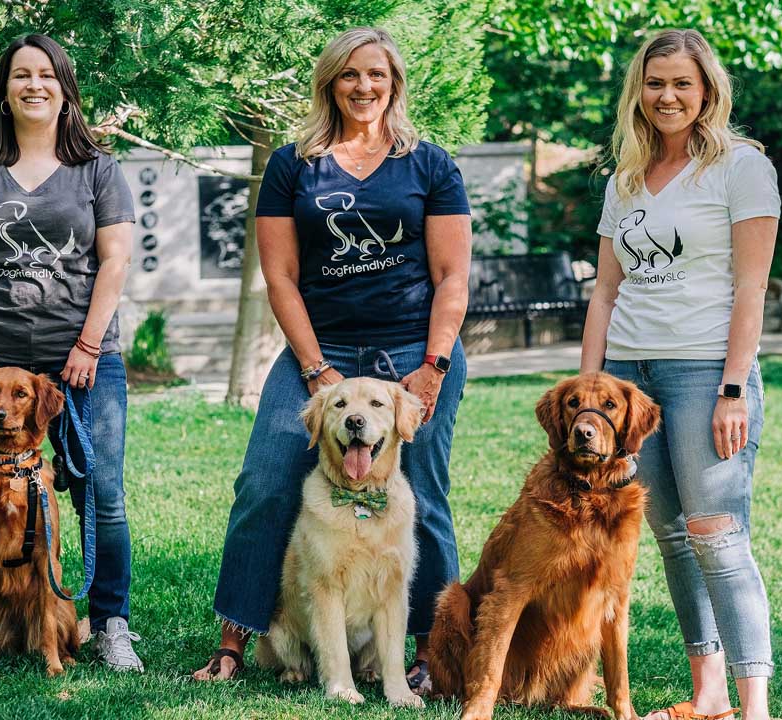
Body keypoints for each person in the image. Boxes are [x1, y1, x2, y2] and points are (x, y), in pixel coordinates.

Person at [192, 27, 472, 693]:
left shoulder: (430, 164)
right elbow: (281, 276)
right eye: (349, 75)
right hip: (320, 349)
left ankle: (432, 655)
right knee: (265, 478)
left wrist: (432, 366)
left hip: (412, 348)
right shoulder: (295, 163)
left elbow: (452, 275)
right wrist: (317, 370)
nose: (364, 87)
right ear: (330, 84)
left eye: (376, 74)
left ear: (394, 83)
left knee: (423, 495)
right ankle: (236, 638)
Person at [0, 34, 143, 672]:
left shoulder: (97, 168)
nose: (33, 84)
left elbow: (116, 258)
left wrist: (89, 342)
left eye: (46, 74)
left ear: (64, 87)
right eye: (20, 75)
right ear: (4, 90)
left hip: (84, 357)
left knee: (100, 490)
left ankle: (111, 623)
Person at [580, 29, 779, 720]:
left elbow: (751, 289)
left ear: (707, 92)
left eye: (682, 84)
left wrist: (732, 388)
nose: (668, 96)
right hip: (629, 380)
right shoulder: (625, 178)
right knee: (669, 534)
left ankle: (754, 708)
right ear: (640, 90)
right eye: (655, 82)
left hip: (704, 373)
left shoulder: (741, 168)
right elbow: (605, 291)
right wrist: (590, 393)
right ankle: (709, 697)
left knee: (715, 533)